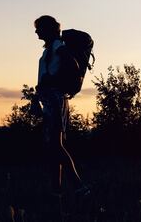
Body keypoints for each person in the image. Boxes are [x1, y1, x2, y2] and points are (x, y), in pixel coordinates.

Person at [30, 15, 88, 197]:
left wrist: (52, 80)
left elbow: (73, 66)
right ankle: (57, 190)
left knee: (55, 145)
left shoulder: (57, 46)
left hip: (55, 99)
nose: (36, 31)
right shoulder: (50, 49)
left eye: (39, 27)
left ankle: (79, 186)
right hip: (49, 99)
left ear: (48, 29)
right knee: (54, 146)